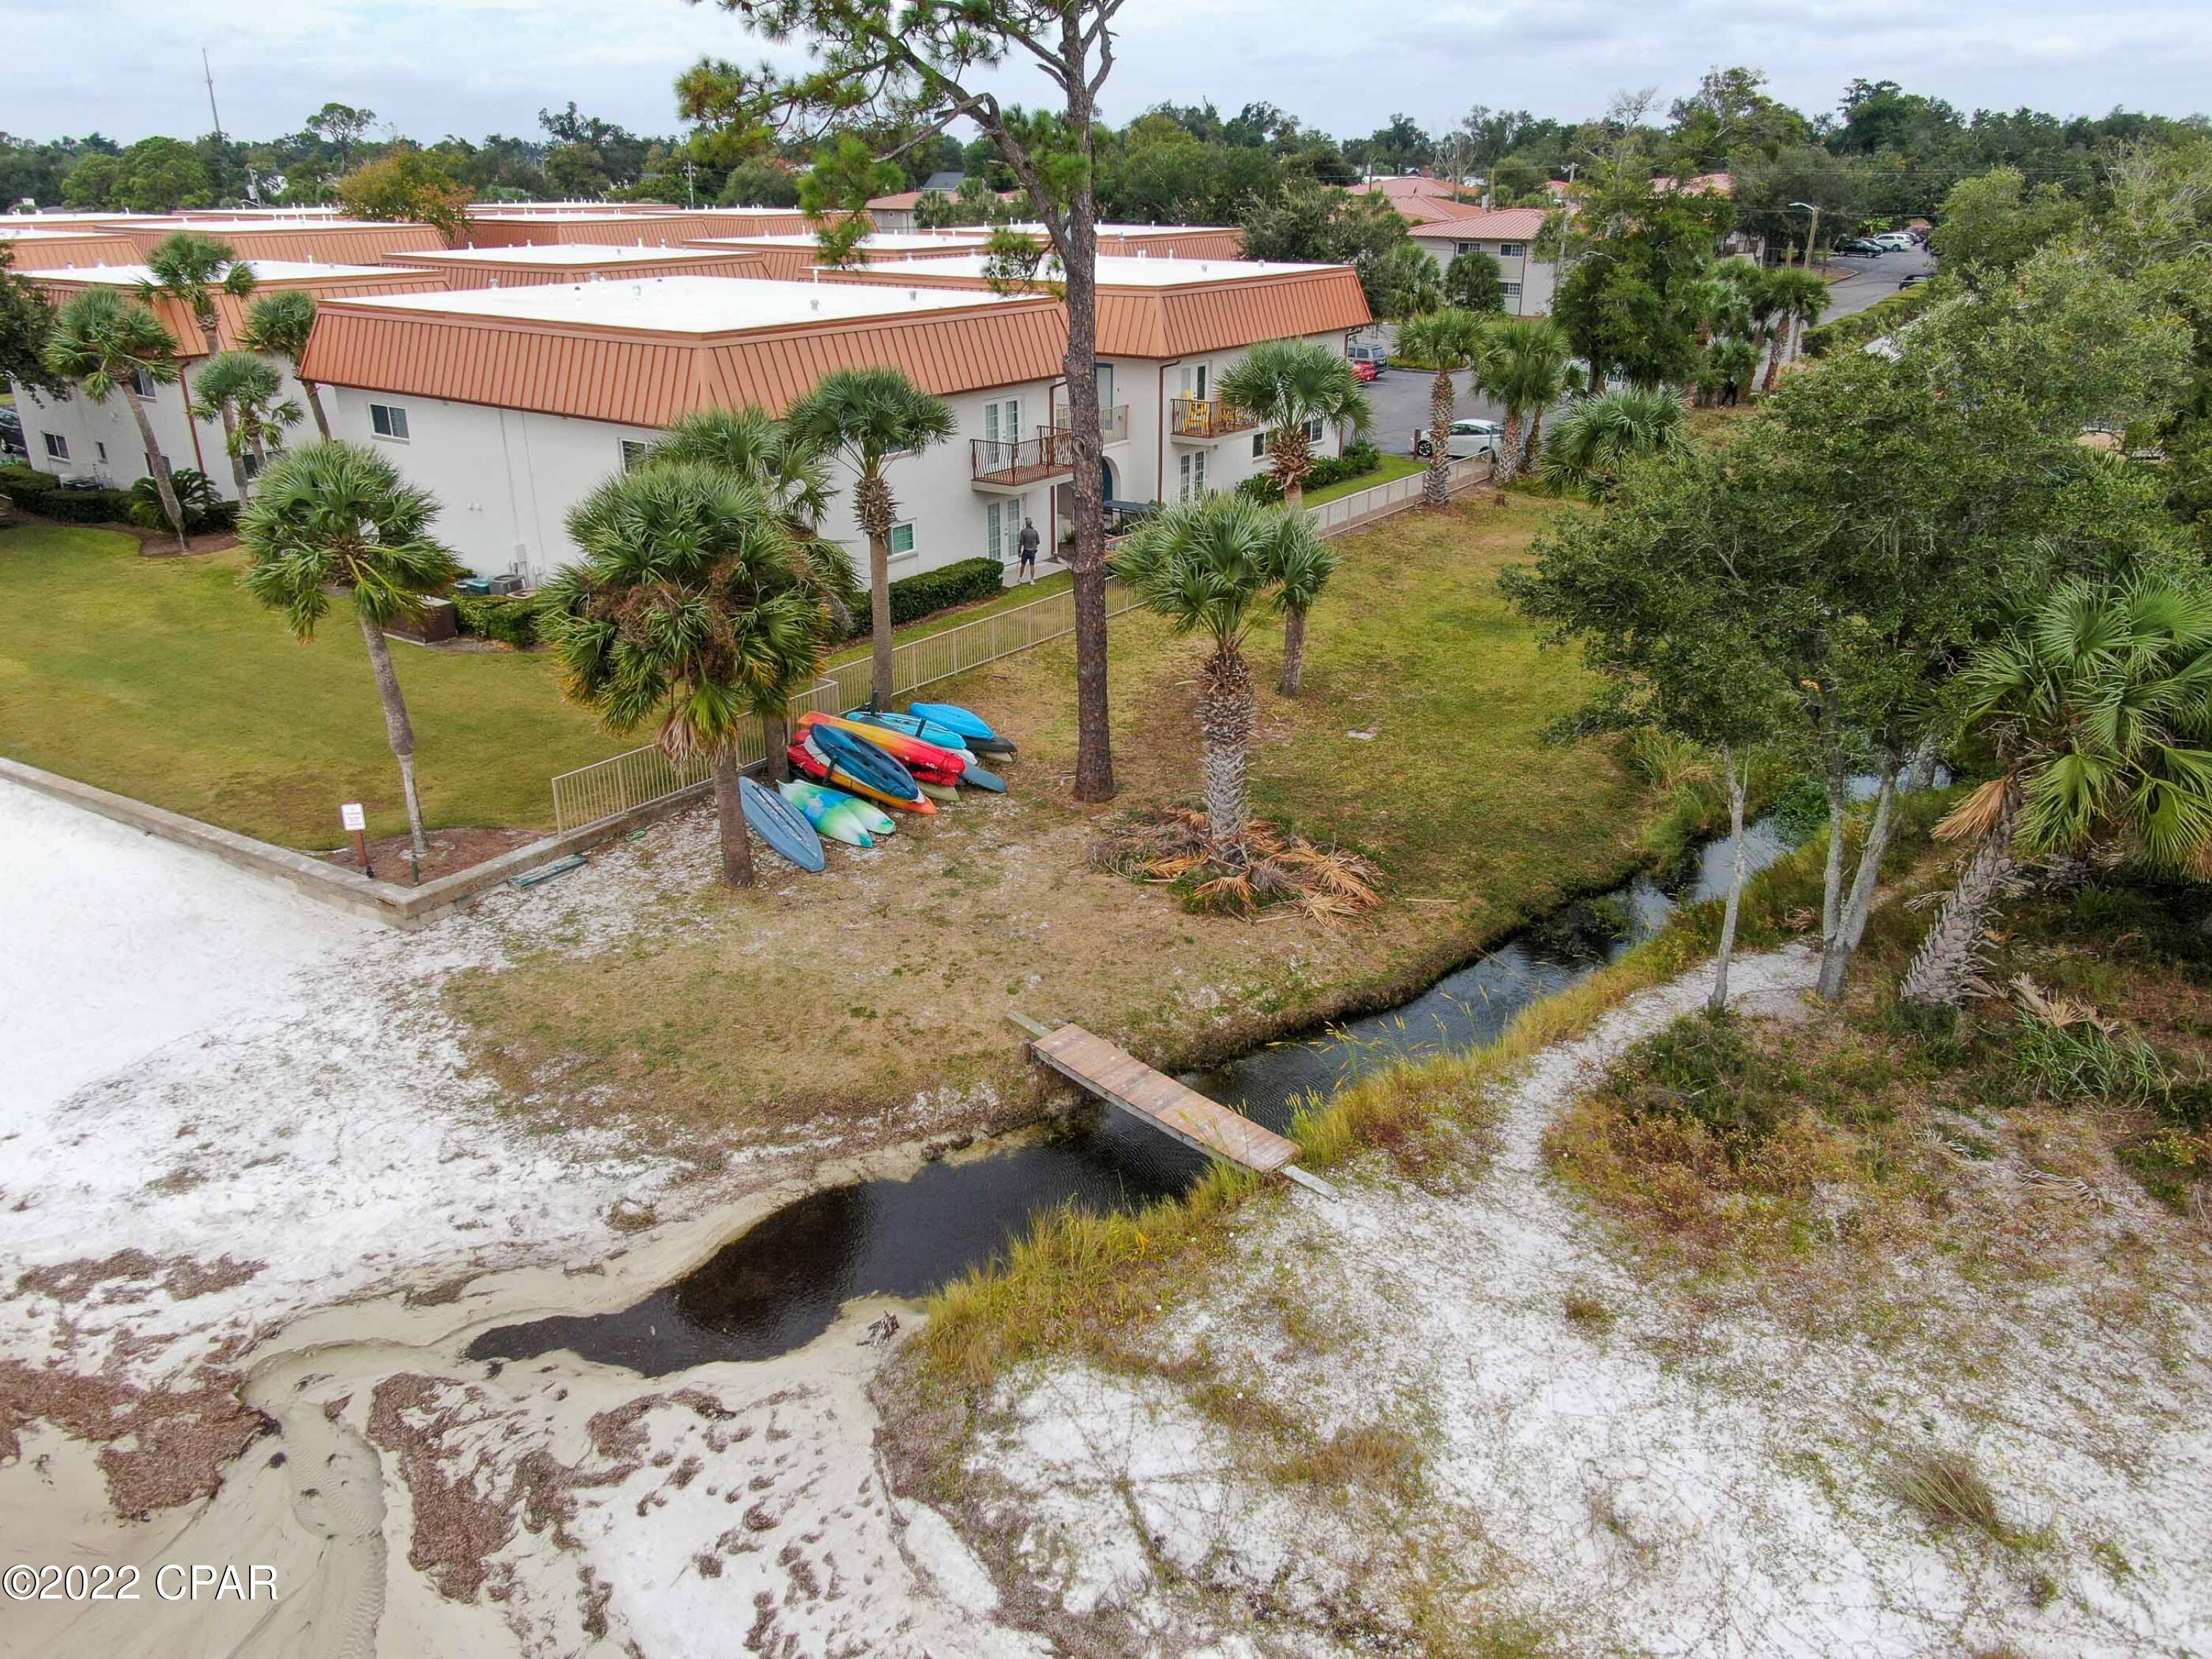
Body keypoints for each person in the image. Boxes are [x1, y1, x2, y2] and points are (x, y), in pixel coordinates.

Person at [1016, 516, 1040, 582]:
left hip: (1026, 551)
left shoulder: (1023, 532)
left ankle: (1020, 578)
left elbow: (1021, 542)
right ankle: (1032, 580)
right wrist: (1034, 546)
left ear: (1026, 524)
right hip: (1033, 552)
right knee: (1032, 565)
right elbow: (1038, 542)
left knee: (1023, 565)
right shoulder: (1035, 532)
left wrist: (1019, 551)